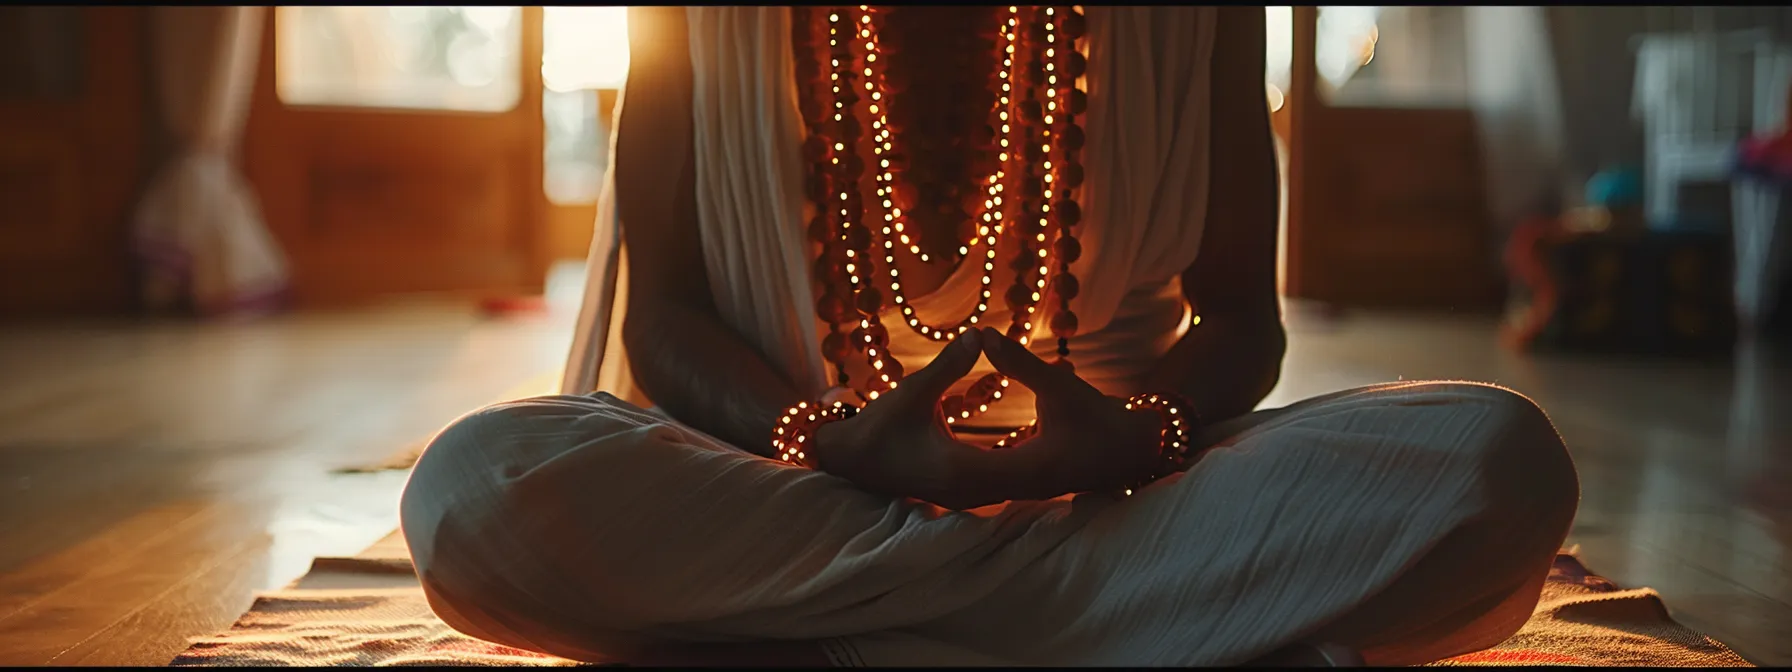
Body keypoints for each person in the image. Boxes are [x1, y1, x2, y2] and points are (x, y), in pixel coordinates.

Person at [399, 6, 1580, 667]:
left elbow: (1240, 318)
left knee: (1499, 464)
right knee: (469, 490)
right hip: (802, 480)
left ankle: (822, 636)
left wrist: (1130, 440)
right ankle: (1126, 630)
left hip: (1120, 504)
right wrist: (826, 440)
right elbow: (660, 309)